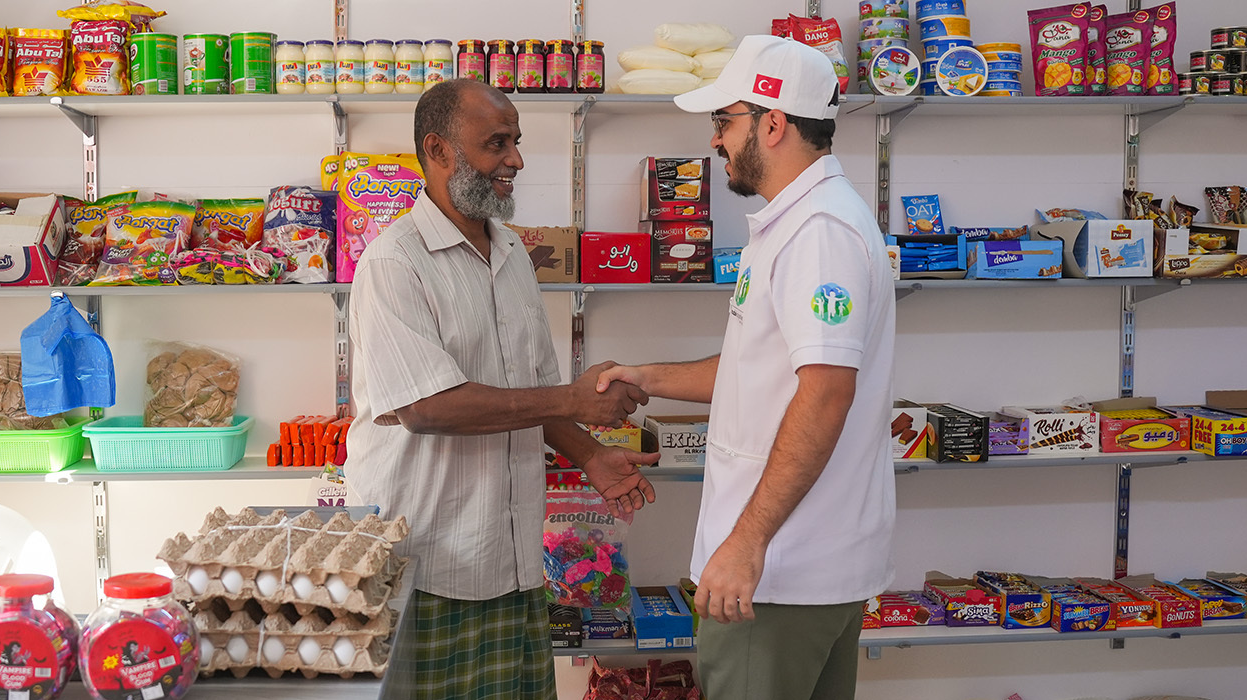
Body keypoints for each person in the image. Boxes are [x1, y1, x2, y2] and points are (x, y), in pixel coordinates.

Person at [597, 35, 898, 700]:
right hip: (791, 571)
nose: (716, 140)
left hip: (777, 578)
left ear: (773, 123)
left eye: (724, 121)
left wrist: (746, 542)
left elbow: (825, 395)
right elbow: (759, 369)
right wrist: (647, 376)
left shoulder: (818, 233)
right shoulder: (797, 223)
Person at [347, 78, 660, 700]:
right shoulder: (393, 261)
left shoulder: (512, 250)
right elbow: (426, 407)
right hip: (432, 561)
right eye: (497, 143)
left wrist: (590, 455)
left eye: (516, 141)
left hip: (514, 557)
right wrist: (572, 399)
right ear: (438, 150)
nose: (516, 159)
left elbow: (531, 389)